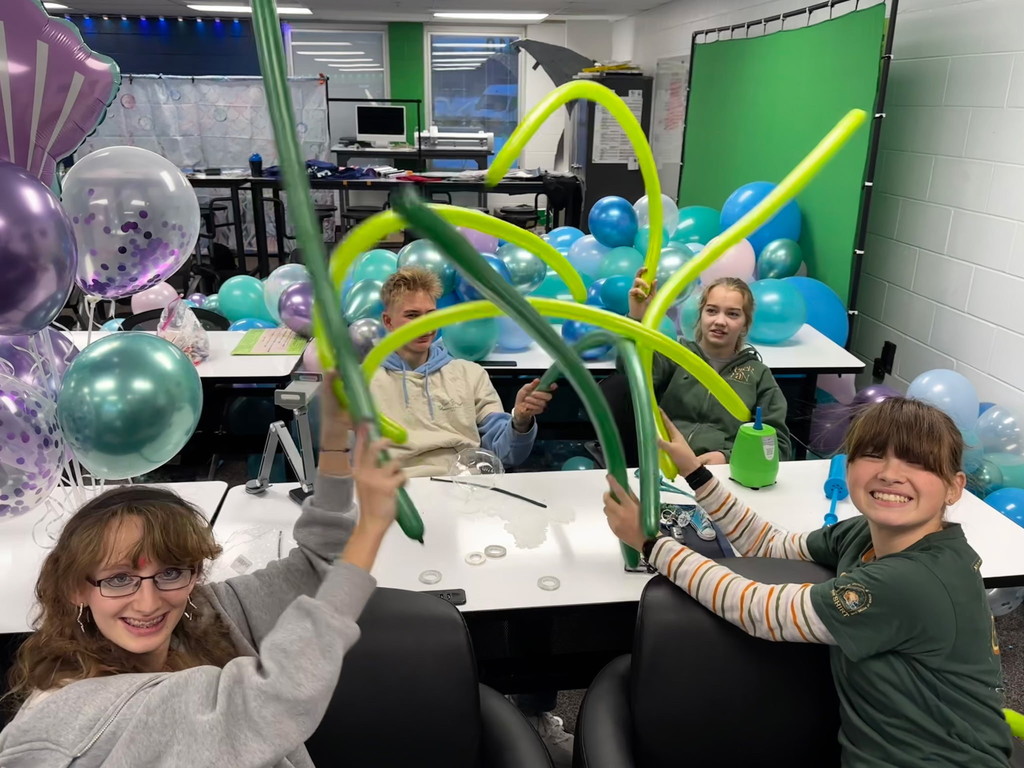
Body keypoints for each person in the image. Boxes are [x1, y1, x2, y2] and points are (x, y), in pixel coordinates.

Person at [0, 380, 404, 767]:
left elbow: (320, 563)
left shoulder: (206, 615)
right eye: (118, 579)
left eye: (172, 572)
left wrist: (333, 445)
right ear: (75, 589)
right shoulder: (69, 716)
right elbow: (268, 704)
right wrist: (371, 529)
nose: (149, 602)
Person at [602, 397, 1014, 767]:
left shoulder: (914, 580)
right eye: (873, 455)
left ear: (954, 488)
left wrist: (651, 543)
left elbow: (761, 611)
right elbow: (770, 543)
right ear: (847, 466)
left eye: (918, 463)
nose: (891, 473)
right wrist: (696, 473)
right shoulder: (864, 534)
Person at [372, 266, 556, 477]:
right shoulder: (361, 381)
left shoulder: (471, 375)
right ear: (388, 321)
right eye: (412, 315)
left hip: (464, 489)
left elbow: (504, 453)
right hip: (394, 493)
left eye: (430, 315)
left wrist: (520, 422)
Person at [626, 271, 791, 464]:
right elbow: (631, 368)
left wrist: (727, 457)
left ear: (745, 324)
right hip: (665, 466)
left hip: (720, 476)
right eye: (712, 310)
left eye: (733, 314)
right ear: (701, 315)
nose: (720, 321)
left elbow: (777, 446)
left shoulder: (758, 375)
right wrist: (637, 318)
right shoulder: (674, 355)